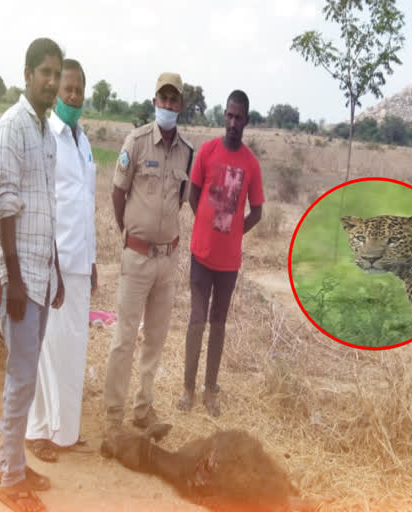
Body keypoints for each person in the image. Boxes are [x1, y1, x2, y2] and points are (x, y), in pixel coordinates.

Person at [101, 72, 194, 456]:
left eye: (175, 101)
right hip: (136, 257)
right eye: (163, 99)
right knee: (124, 339)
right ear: (155, 101)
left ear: (181, 106)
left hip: (167, 260)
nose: (168, 106)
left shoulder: (188, 152)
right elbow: (118, 193)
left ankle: (143, 408)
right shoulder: (136, 142)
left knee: (155, 339)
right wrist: (130, 235)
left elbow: (181, 200)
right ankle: (113, 417)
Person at [0, 38, 64, 512]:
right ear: (26, 75)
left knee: (27, 374)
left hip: (42, 271)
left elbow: (48, 208)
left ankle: (13, 461)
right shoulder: (12, 128)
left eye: (56, 74)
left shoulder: (47, 134)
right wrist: (13, 280)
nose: (53, 83)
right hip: (21, 276)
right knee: (19, 378)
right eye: (45, 73)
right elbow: (4, 205)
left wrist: (54, 269)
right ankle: (7, 477)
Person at [25, 58, 97, 462]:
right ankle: (37, 433)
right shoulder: (46, 137)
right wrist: (50, 264)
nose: (73, 96)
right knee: (46, 349)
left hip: (80, 263)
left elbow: (86, 204)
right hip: (53, 264)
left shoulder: (83, 141)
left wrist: (93, 261)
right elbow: (44, 205)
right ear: (56, 93)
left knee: (73, 349)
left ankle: (65, 432)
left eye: (79, 89)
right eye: (67, 88)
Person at [176, 90, 264, 417]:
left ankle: (209, 390)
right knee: (197, 321)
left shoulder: (251, 164)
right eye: (228, 115)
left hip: (229, 263)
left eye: (238, 117)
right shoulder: (208, 152)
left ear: (246, 121)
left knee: (218, 324)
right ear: (223, 116)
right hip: (201, 255)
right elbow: (192, 193)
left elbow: (257, 212)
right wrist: (205, 224)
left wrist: (235, 230)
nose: (232, 122)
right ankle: (187, 388)